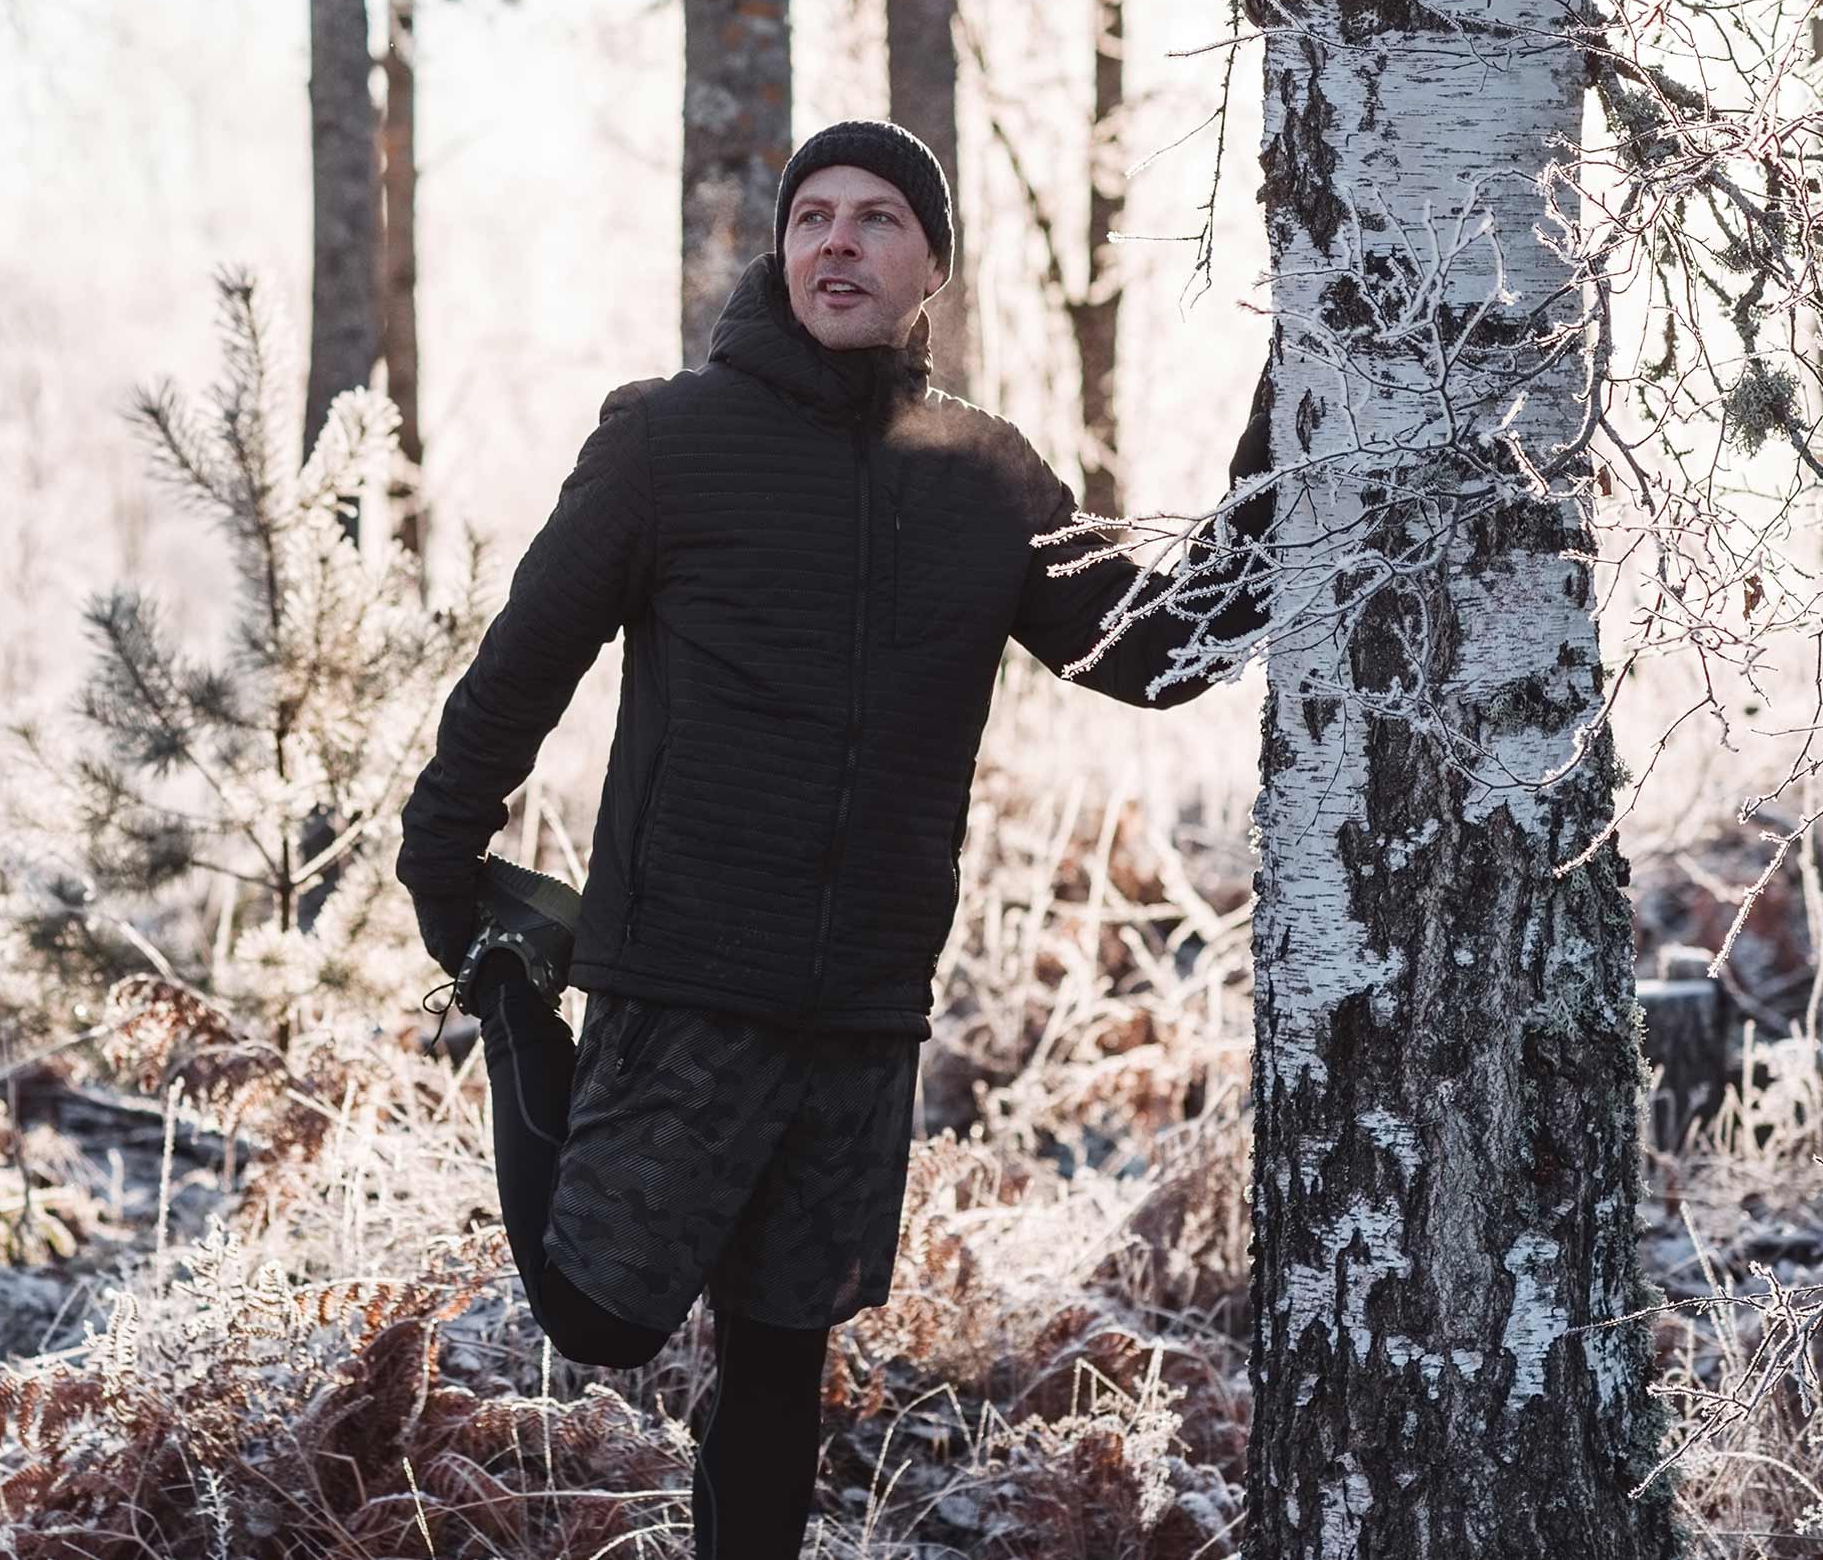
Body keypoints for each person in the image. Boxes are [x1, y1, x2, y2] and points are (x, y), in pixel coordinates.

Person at [397, 118, 1274, 1558]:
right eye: (812, 217)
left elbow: (1165, 649)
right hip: (684, 976)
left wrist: (1292, 405)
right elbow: (522, 665)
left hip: (862, 1001)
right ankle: (516, 1006)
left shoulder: (985, 475)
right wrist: (448, 881)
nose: (837, 243)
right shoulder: (668, 441)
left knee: (782, 1358)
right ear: (782, 251)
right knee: (596, 1311)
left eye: (876, 219)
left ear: (931, 266)